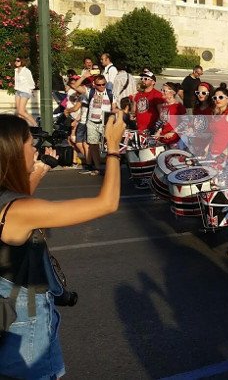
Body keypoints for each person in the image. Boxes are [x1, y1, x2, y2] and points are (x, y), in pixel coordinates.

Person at [0, 111, 124, 378]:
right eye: (30, 145)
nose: (35, 150)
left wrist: (39, 170)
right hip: (26, 322)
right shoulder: (21, 210)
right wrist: (113, 148)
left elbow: (15, 205)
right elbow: (107, 203)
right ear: (11, 153)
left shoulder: (9, 205)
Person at [152, 82, 187, 148]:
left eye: (164, 91)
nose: (162, 92)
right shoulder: (163, 106)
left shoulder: (178, 106)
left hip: (175, 140)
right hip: (163, 138)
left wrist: (173, 132)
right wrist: (158, 131)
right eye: (161, 90)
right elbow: (162, 121)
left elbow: (185, 122)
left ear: (172, 93)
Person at [12, 57, 37, 127]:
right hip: (18, 91)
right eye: (15, 60)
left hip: (25, 92)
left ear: (22, 61)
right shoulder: (16, 70)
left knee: (21, 111)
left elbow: (31, 82)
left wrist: (30, 90)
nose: (16, 62)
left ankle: (35, 124)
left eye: (18, 61)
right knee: (19, 112)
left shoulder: (26, 71)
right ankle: (22, 127)